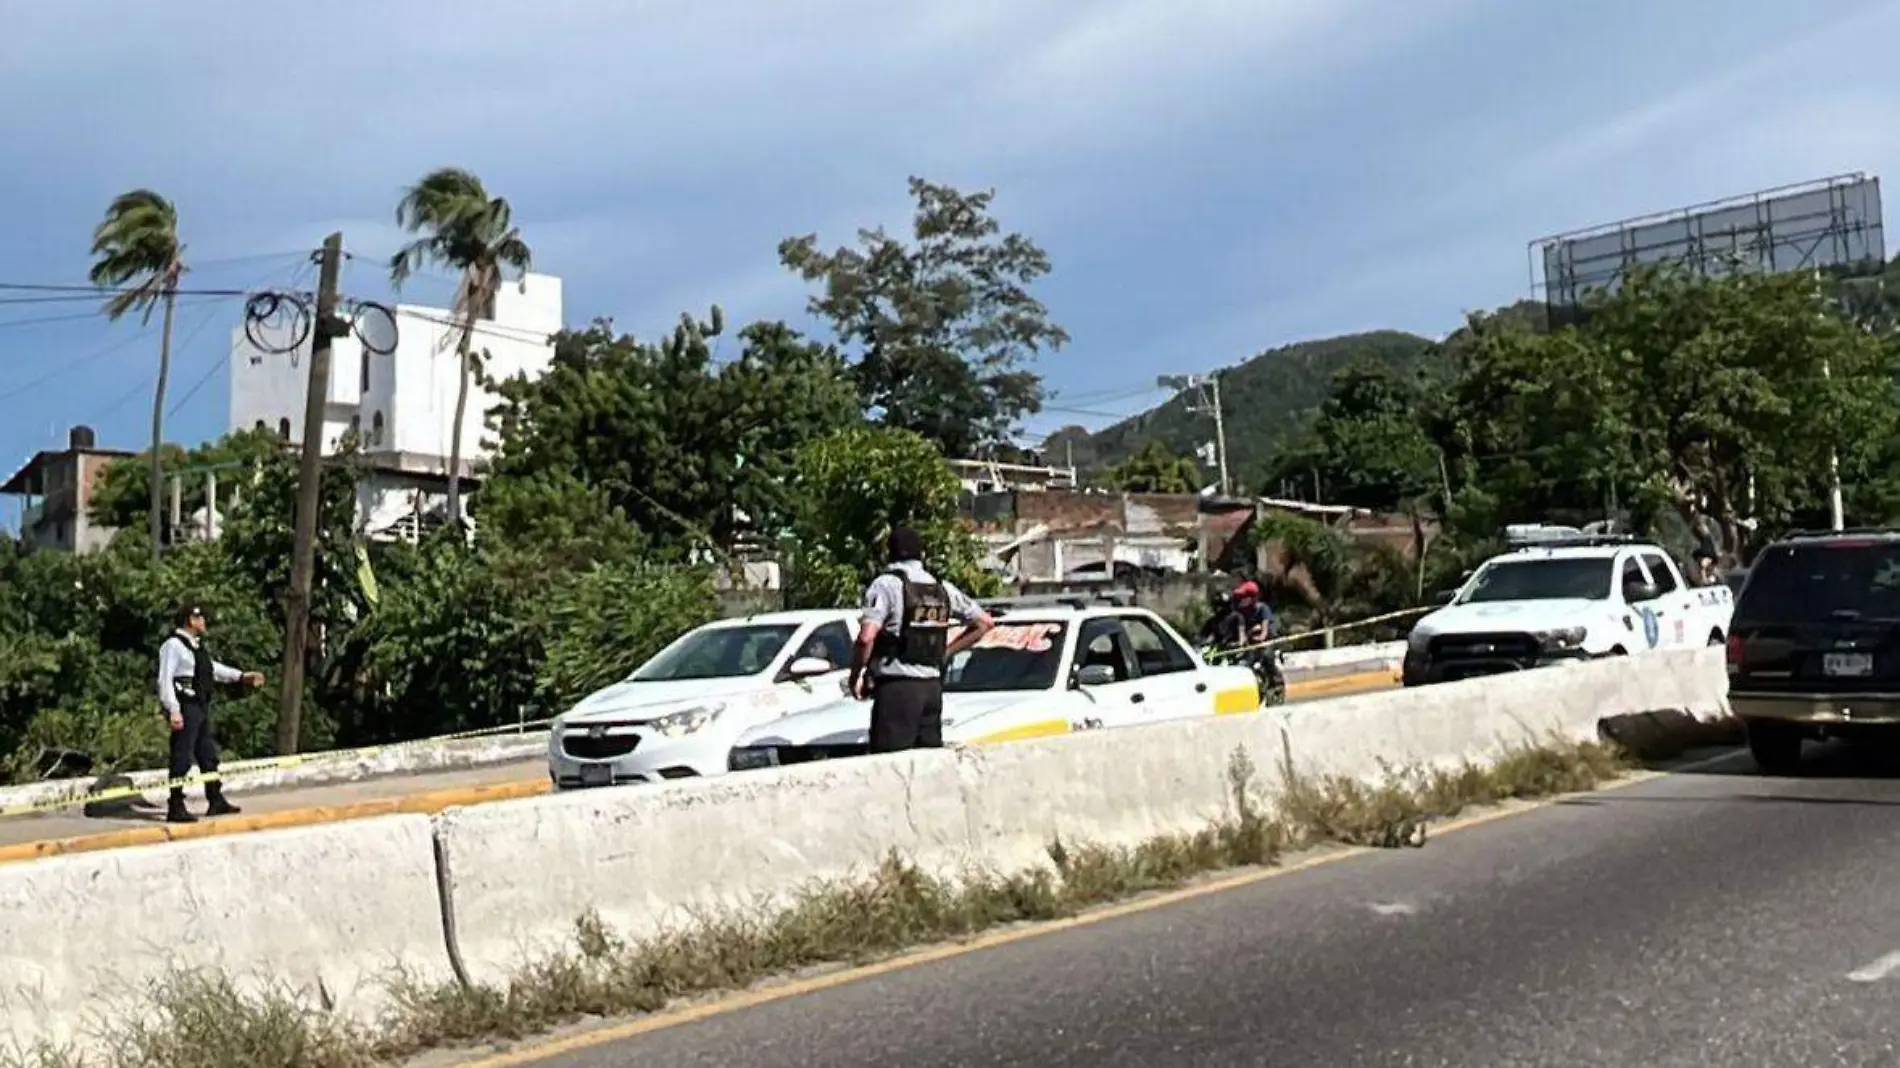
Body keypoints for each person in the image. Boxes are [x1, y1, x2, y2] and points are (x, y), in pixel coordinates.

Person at [848, 527, 994, 753]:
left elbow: (866, 638)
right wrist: (945, 652)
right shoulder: (940, 587)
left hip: (897, 690)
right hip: (931, 690)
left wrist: (856, 675)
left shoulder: (885, 585)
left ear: (889, 554)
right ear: (922, 555)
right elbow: (984, 623)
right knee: (927, 767)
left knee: (889, 767)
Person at [155, 601, 265, 824]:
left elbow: (212, 669)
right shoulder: (173, 646)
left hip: (201, 705)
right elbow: (164, 680)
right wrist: (173, 710)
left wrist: (241, 676)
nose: (205, 622)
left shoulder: (196, 648)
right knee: (182, 756)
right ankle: (175, 805)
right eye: (202, 618)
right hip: (185, 705)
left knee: (208, 756)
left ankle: (215, 799)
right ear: (191, 620)